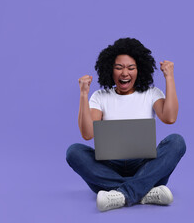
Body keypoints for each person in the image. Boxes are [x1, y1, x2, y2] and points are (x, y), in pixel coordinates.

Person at [66, 38, 186, 212]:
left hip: (145, 167)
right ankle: (144, 192)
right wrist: (83, 94)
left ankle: (120, 194)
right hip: (109, 168)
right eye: (119, 67)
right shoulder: (100, 96)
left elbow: (170, 118)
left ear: (139, 70)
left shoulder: (151, 93)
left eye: (131, 68)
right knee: (74, 152)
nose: (125, 73)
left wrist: (169, 77)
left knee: (177, 141)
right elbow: (87, 134)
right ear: (110, 70)